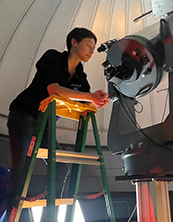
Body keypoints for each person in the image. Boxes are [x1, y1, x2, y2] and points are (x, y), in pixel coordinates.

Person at [3, 27, 110, 220]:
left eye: (94, 48)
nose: (92, 51)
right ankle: (10, 214)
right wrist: (90, 97)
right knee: (21, 169)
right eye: (88, 45)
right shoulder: (52, 57)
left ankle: (49, 216)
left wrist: (98, 99)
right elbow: (54, 89)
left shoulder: (79, 73)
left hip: (44, 124)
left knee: (61, 168)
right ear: (74, 42)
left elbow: (85, 99)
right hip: (23, 117)